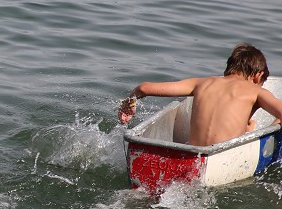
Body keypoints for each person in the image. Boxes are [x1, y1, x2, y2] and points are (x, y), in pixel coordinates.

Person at [118, 43, 282, 146]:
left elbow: (144, 88)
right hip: (221, 157)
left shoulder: (201, 83)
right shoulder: (256, 91)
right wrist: (273, 127)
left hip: (192, 153)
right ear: (258, 76)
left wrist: (128, 105)